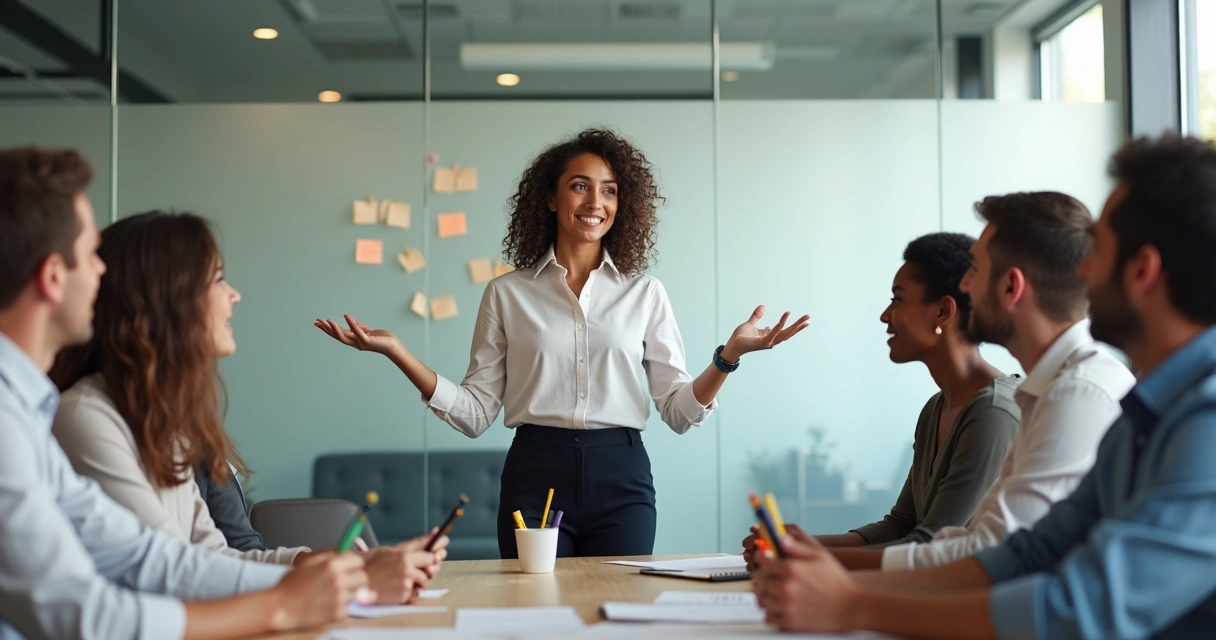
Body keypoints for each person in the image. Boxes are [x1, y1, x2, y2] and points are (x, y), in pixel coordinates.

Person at [753, 134, 1216, 639]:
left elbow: (1082, 609)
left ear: (1143, 270)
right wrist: (840, 587)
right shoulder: (1140, 409)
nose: (1082, 270)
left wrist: (853, 605)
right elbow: (1026, 554)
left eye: (1099, 249)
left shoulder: (1177, 413)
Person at [316, 128, 810, 558]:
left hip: (622, 479)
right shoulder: (506, 293)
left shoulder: (645, 293)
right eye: (580, 186)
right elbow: (474, 413)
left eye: (609, 191)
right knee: (536, 612)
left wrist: (728, 357)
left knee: (617, 613)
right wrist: (398, 352)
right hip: (534, 476)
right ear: (551, 198)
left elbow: (679, 413)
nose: (596, 203)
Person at [0, 146, 367, 640]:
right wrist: (282, 604)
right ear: (51, 277)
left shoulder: (29, 411)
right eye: (89, 256)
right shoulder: (59, 415)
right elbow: (82, 614)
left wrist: (313, 575)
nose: (102, 273)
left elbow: (153, 557)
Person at [49, 211, 446, 605]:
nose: (234, 295)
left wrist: (348, 564)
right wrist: (351, 582)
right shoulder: (84, 416)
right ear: (165, 300)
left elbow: (214, 557)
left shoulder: (166, 426)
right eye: (217, 279)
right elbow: (172, 570)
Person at [825, 192, 1135, 571]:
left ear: (1010, 287)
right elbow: (979, 544)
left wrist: (834, 583)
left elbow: (992, 556)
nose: (965, 285)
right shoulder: (1041, 393)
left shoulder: (1074, 394)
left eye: (974, 270)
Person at [744, 233, 1020, 565]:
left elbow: (929, 546)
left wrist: (804, 555)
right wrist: (796, 543)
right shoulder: (936, 409)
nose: (885, 316)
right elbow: (901, 525)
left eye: (898, 299)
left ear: (943, 311)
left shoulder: (993, 412)